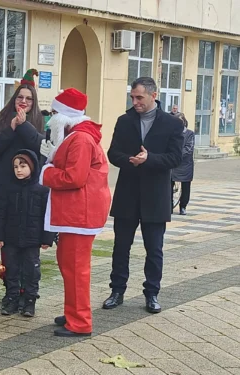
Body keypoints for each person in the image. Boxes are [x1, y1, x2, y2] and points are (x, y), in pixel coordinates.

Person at [105, 77, 184, 314]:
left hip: (155, 196)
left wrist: (150, 159)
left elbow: (176, 158)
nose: (135, 101)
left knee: (154, 249)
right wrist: (130, 161)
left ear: (153, 95)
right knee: (121, 246)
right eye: (132, 97)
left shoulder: (171, 124)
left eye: (139, 97)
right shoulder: (125, 120)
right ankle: (117, 291)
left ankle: (152, 294)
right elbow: (112, 153)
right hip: (127, 193)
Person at [39, 88, 110, 337]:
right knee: (69, 265)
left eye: (54, 113)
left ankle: (80, 322)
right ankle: (73, 313)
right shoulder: (77, 135)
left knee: (76, 269)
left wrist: (45, 172)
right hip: (77, 213)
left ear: (65, 115)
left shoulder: (79, 138)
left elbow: (74, 177)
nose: (50, 119)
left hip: (79, 214)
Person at [0, 69, 45, 295]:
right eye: (20, 97)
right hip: (3, 191)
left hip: (29, 194)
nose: (24, 101)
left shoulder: (40, 121)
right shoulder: (0, 120)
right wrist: (12, 129)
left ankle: (27, 293)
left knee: (27, 249)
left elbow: (42, 150)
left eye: (28, 98)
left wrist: (25, 126)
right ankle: (10, 289)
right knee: (6, 248)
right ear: (14, 99)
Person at [0, 150, 55, 318]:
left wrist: (47, 238)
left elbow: (48, 215)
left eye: (23, 166)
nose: (18, 170)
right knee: (11, 269)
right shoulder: (8, 188)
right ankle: (12, 298)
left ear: (32, 167)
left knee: (32, 270)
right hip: (11, 238)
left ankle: (29, 300)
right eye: (15, 167)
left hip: (32, 239)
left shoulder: (42, 190)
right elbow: (1, 213)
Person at [171, 113, 194, 215]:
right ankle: (168, 206)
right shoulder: (171, 133)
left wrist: (177, 155)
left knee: (186, 185)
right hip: (172, 163)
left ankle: (183, 206)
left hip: (185, 164)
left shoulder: (190, 134)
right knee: (168, 184)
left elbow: (189, 148)